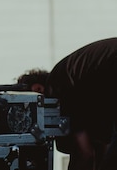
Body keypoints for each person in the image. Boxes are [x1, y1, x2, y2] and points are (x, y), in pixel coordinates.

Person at [17, 38, 117, 170]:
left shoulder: (59, 85)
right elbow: (101, 144)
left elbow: (84, 152)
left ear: (37, 89)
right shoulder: (84, 81)